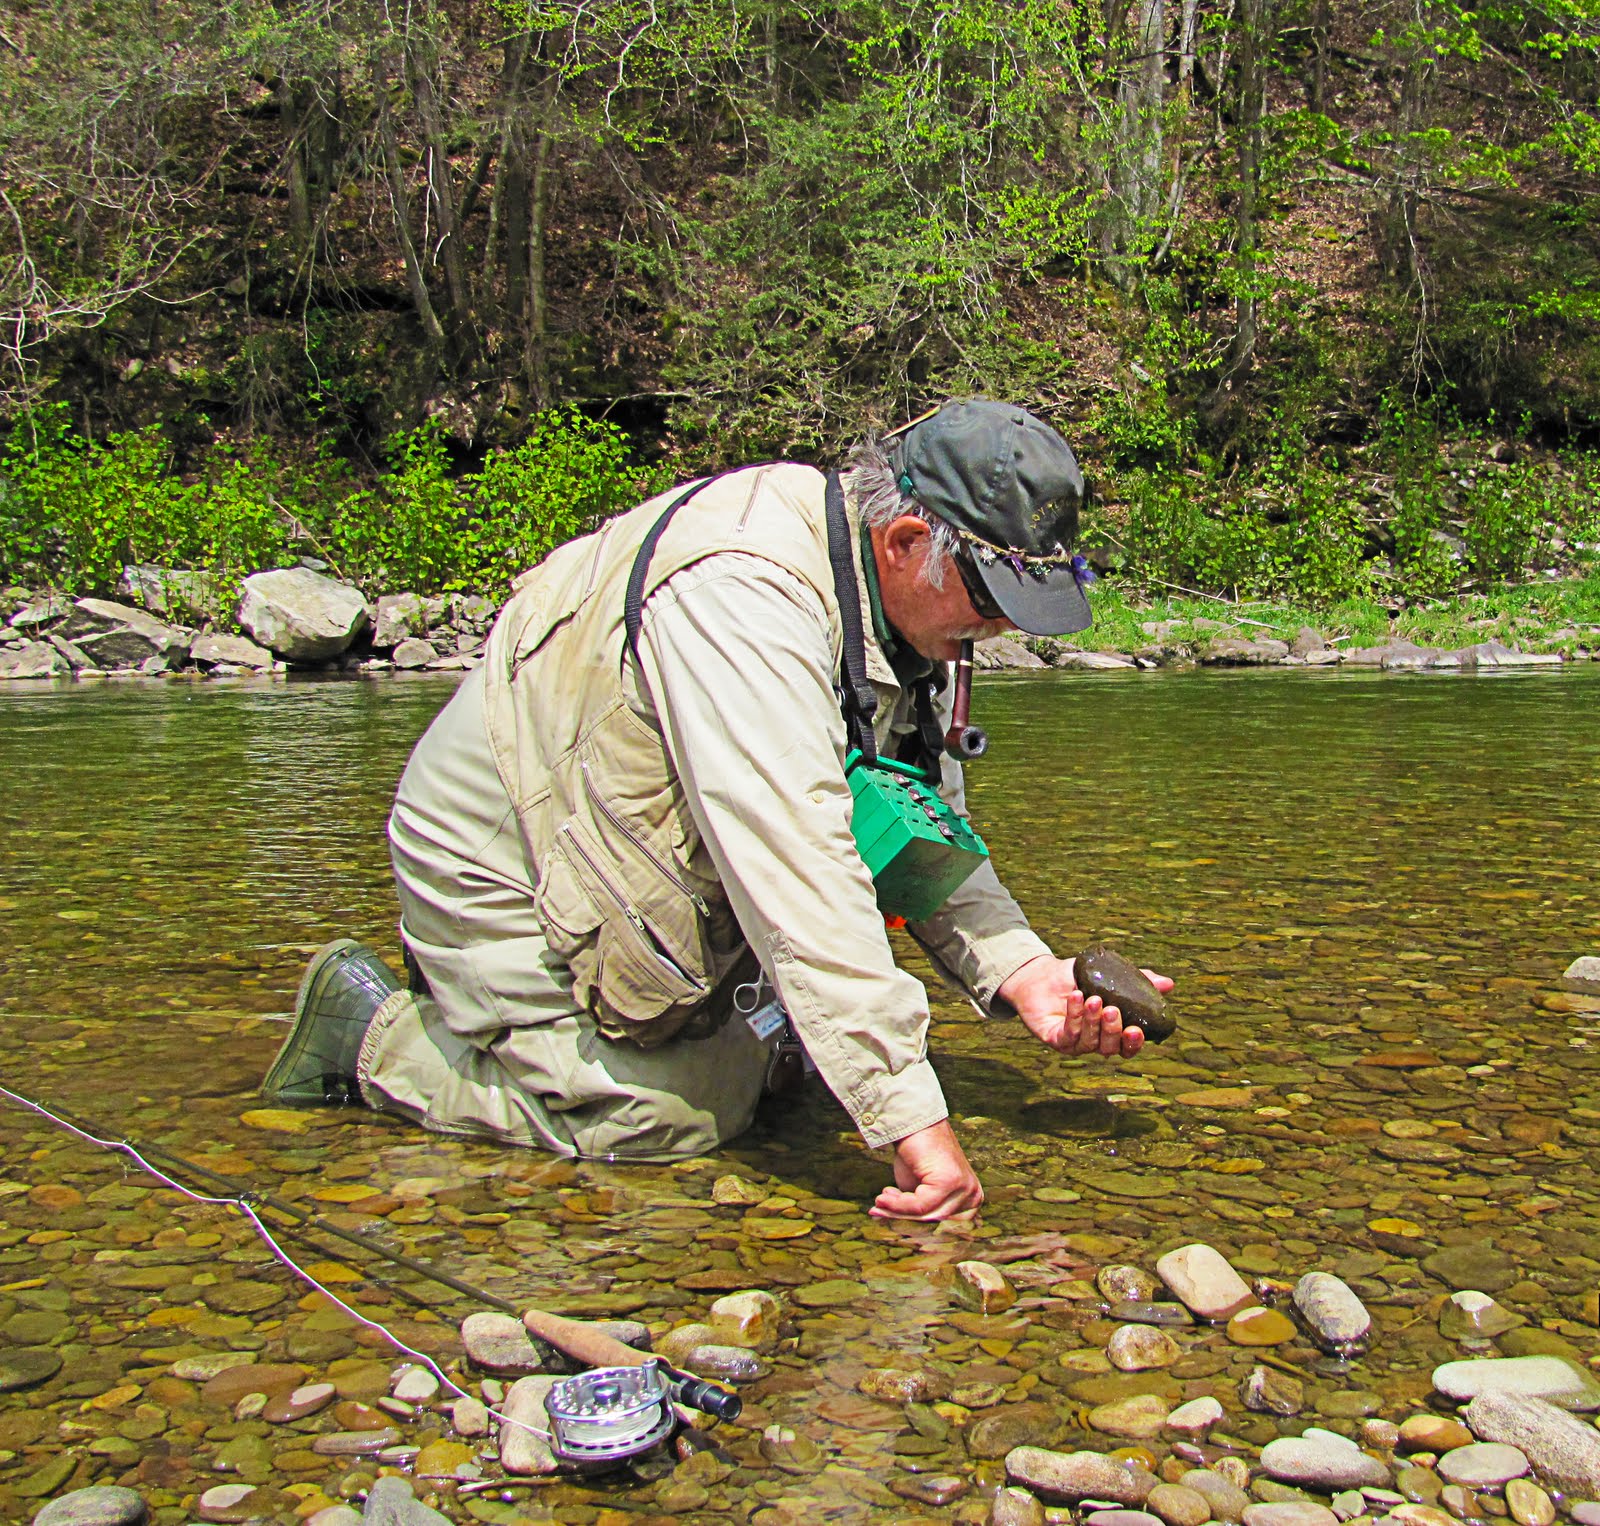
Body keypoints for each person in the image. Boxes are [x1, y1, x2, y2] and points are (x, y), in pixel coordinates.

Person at [263, 399, 1172, 1220]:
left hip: (647, 843)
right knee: (665, 1120)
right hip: (508, 857)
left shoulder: (910, 610)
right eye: (993, 600)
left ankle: (529, 1026)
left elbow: (917, 823)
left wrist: (1023, 972)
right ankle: (371, 1035)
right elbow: (801, 870)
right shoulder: (742, 594)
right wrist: (914, 1128)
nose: (1003, 629)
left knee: (789, 1064)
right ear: (901, 543)